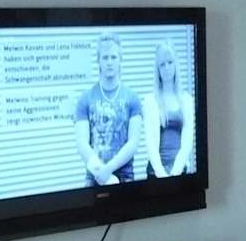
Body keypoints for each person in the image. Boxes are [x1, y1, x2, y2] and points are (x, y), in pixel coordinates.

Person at [74, 32, 143, 185]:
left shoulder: (133, 98)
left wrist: (109, 169)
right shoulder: (85, 98)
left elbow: (133, 143)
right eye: (105, 58)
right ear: (98, 60)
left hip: (124, 176)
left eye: (113, 57)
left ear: (120, 60)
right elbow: (82, 143)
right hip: (94, 176)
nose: (109, 62)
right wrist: (101, 171)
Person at [142, 41, 196, 178]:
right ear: (158, 69)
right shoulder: (150, 101)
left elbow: (187, 141)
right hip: (156, 173)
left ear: (176, 64)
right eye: (162, 64)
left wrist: (175, 172)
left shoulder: (187, 101)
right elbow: (150, 142)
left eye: (170, 62)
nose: (167, 68)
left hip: (180, 171)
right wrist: (161, 174)